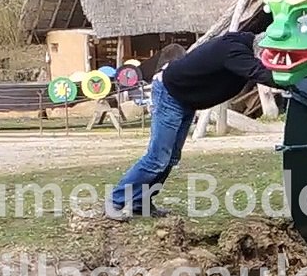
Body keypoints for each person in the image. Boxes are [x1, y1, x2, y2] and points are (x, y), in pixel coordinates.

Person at [104, 29, 288, 221]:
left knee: (171, 158)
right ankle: (115, 200)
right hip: (170, 95)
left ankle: (140, 203)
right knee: (157, 159)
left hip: (186, 99)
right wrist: (293, 84)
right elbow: (258, 72)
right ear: (261, 52)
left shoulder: (243, 46)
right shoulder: (235, 52)